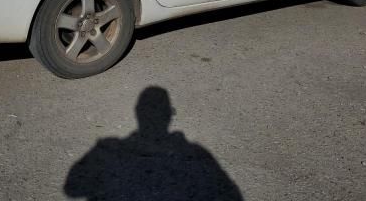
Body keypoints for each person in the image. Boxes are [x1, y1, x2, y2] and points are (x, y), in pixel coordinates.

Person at [64, 86, 243, 200]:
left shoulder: (107, 148)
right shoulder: (194, 152)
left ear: (137, 112)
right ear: (168, 115)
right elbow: (231, 194)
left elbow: (72, 188)